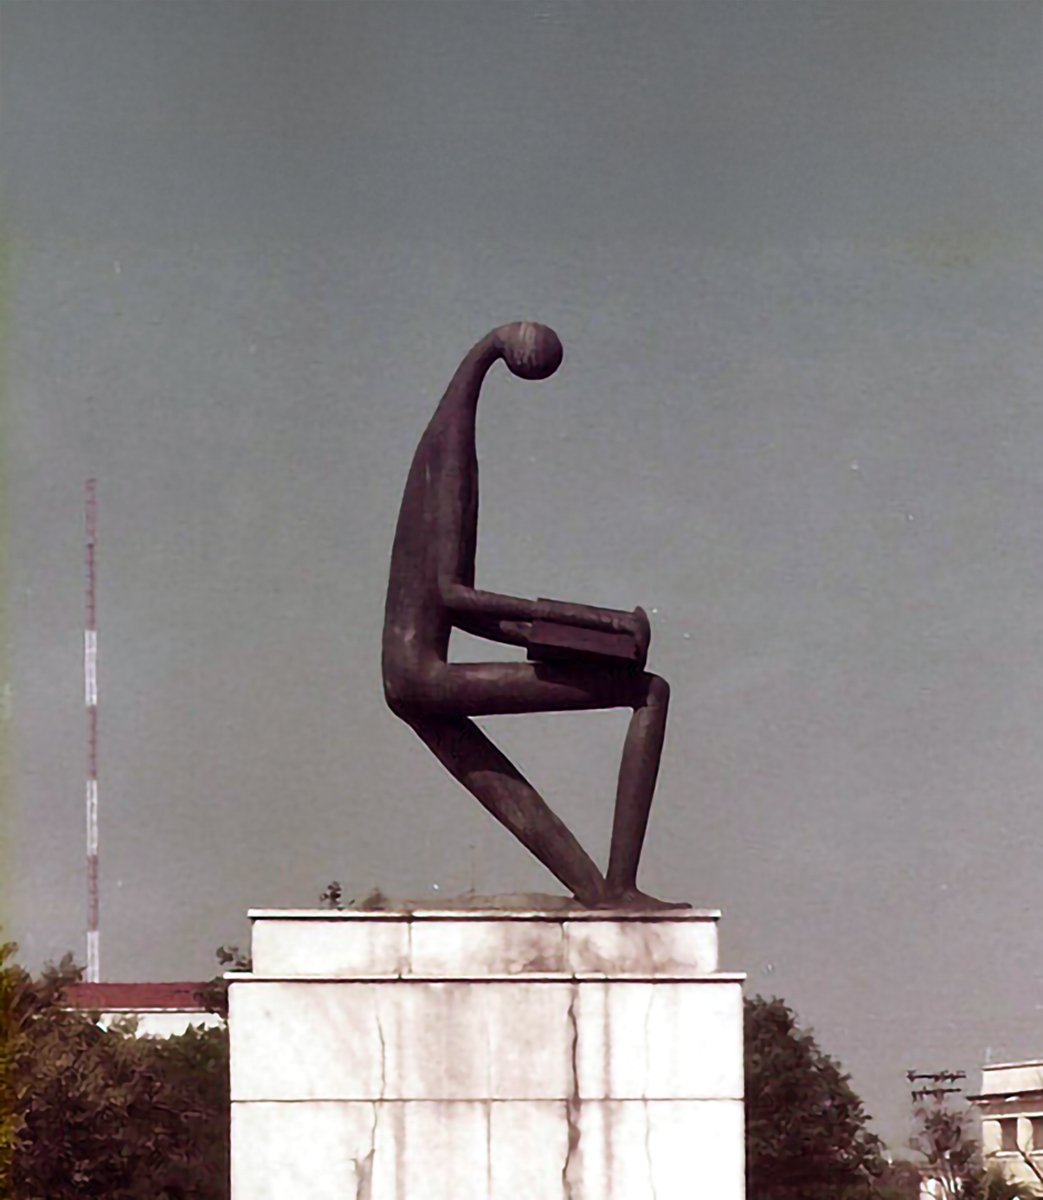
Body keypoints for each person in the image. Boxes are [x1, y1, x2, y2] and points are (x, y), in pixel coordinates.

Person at [382, 322, 680, 909]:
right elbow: (453, 596)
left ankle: (604, 891)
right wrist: (600, 621)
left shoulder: (437, 448)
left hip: (410, 674)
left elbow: (456, 609)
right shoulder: (450, 459)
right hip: (423, 675)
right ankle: (619, 885)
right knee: (649, 692)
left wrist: (565, 636)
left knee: (515, 801)